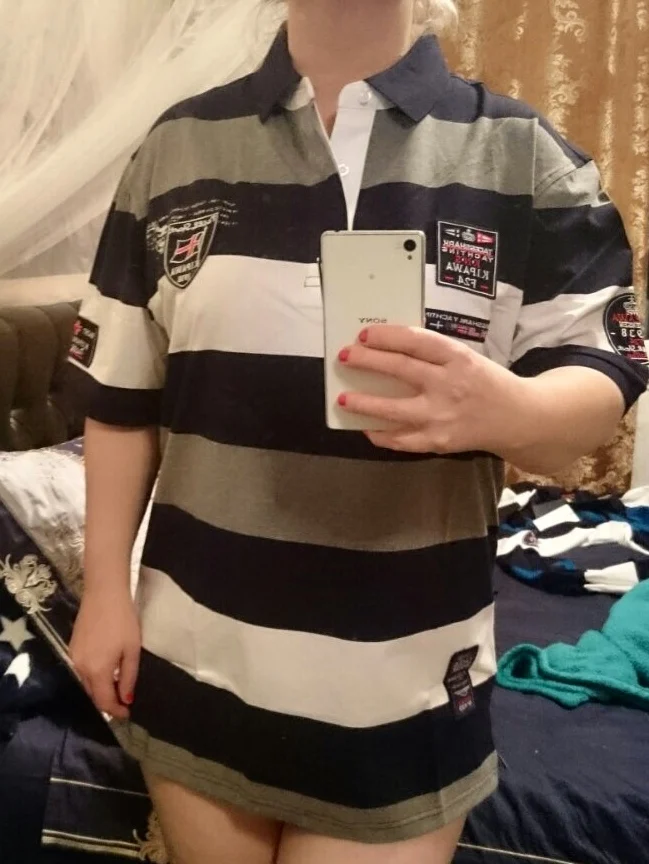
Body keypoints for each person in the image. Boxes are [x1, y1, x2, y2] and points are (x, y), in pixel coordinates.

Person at [67, 1, 649, 862]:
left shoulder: (521, 154)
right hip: (196, 658)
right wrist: (103, 593)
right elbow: (119, 394)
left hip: (407, 683)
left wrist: (508, 412)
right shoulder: (176, 146)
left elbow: (608, 363)